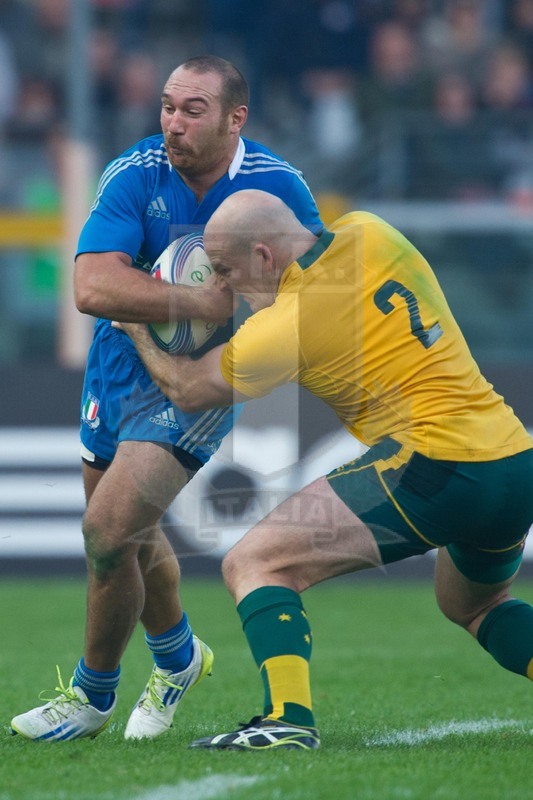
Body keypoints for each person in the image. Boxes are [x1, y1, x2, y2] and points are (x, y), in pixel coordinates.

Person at [119, 189, 533, 751]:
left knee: (256, 562)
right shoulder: (373, 230)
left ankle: (287, 719)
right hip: (513, 458)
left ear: (265, 257)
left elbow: (187, 388)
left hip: (435, 463)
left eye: (226, 271)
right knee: (474, 604)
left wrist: (138, 326)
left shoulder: (286, 324)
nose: (224, 289)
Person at [10, 58, 321, 742]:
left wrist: (222, 324)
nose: (172, 124)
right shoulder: (134, 171)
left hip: (207, 380)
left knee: (106, 530)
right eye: (167, 106)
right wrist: (197, 299)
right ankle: (180, 658)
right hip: (119, 367)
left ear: (235, 119)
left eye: (192, 111)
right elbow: (92, 288)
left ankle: (92, 698)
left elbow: (309, 297)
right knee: (124, 540)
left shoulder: (277, 190)